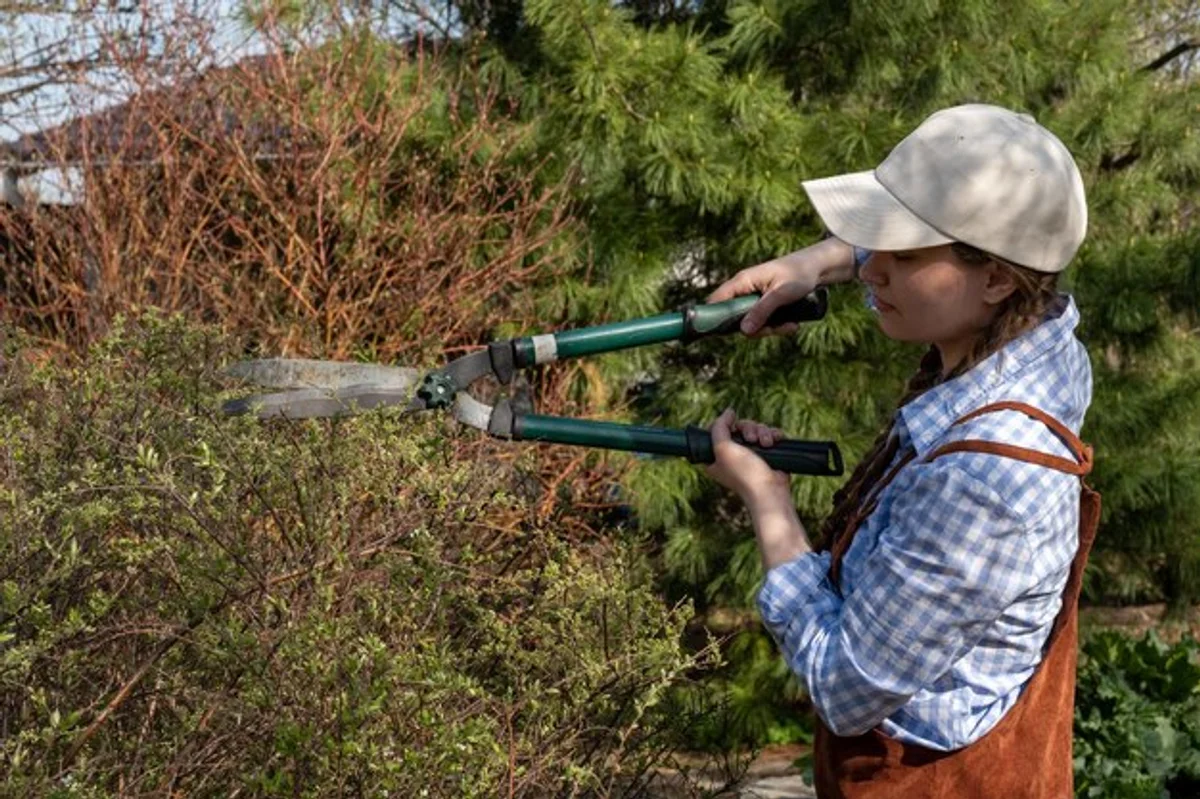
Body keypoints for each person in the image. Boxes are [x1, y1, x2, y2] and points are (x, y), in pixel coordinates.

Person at [703, 104, 1099, 798]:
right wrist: (817, 260)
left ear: (1000, 278)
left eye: (902, 252)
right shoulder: (1039, 345)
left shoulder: (986, 484)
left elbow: (843, 686)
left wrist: (767, 503)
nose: (871, 270)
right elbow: (940, 258)